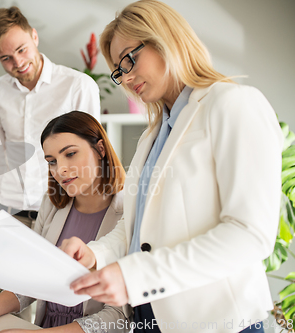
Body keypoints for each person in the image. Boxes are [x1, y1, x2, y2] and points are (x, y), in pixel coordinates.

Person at [60, 1, 284, 333]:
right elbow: (136, 232)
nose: (126, 76)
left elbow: (248, 234)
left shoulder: (233, 104)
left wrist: (137, 275)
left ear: (166, 38)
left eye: (130, 59)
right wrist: (94, 254)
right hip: (151, 318)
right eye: (119, 70)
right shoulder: (152, 135)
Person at [0, 111, 130, 333]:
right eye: (52, 161)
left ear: (100, 150)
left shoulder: (128, 211)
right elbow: (32, 280)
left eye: (71, 154)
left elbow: (120, 316)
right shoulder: (52, 204)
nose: (60, 170)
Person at [0, 6, 101, 230]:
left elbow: (92, 157)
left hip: (61, 212)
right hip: (10, 213)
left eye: (22, 49)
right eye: (6, 58)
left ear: (34, 36)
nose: (17, 62)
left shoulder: (77, 85)